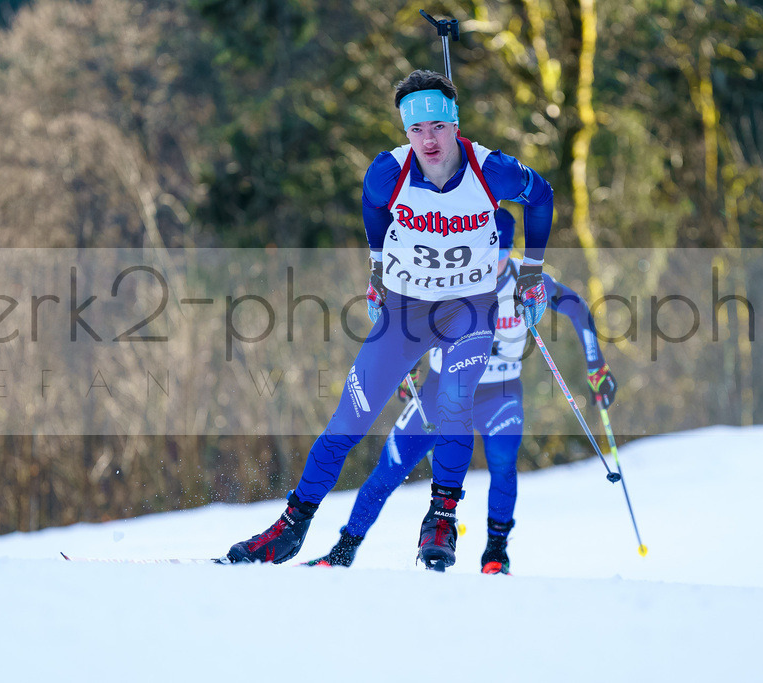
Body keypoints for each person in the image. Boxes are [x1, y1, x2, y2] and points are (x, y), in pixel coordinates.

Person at [222, 70, 556, 571]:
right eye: (417, 130)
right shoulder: (387, 172)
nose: (429, 140)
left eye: (438, 127)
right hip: (405, 311)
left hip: (469, 309)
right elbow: (373, 205)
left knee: (454, 405)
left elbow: (542, 195)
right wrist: (377, 267)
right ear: (406, 132)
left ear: (455, 124)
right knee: (348, 421)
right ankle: (291, 528)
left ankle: (441, 518)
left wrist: (531, 272)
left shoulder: (492, 170)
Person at [303, 207, 617, 574]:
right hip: (441, 390)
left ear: (511, 249)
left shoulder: (528, 281)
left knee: (502, 462)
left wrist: (596, 364)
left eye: (501, 252)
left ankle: (496, 555)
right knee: (390, 467)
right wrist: (410, 369)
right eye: (485, 250)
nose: (492, 260)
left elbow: (578, 308)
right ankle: (343, 551)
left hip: (499, 393)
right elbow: (410, 325)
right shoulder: (448, 277)